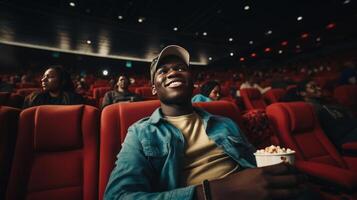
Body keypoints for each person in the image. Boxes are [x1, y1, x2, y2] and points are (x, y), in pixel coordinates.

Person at [104, 45, 315, 200]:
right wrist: (211, 193)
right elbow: (118, 196)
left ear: (193, 82)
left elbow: (254, 165)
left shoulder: (225, 122)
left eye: (180, 68)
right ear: (153, 88)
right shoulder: (141, 132)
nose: (173, 72)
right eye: (163, 71)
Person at [293, 79, 357, 149]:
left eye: (318, 86)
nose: (319, 88)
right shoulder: (308, 110)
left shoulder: (329, 104)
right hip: (342, 139)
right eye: (313, 87)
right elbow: (332, 131)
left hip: (350, 132)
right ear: (303, 93)